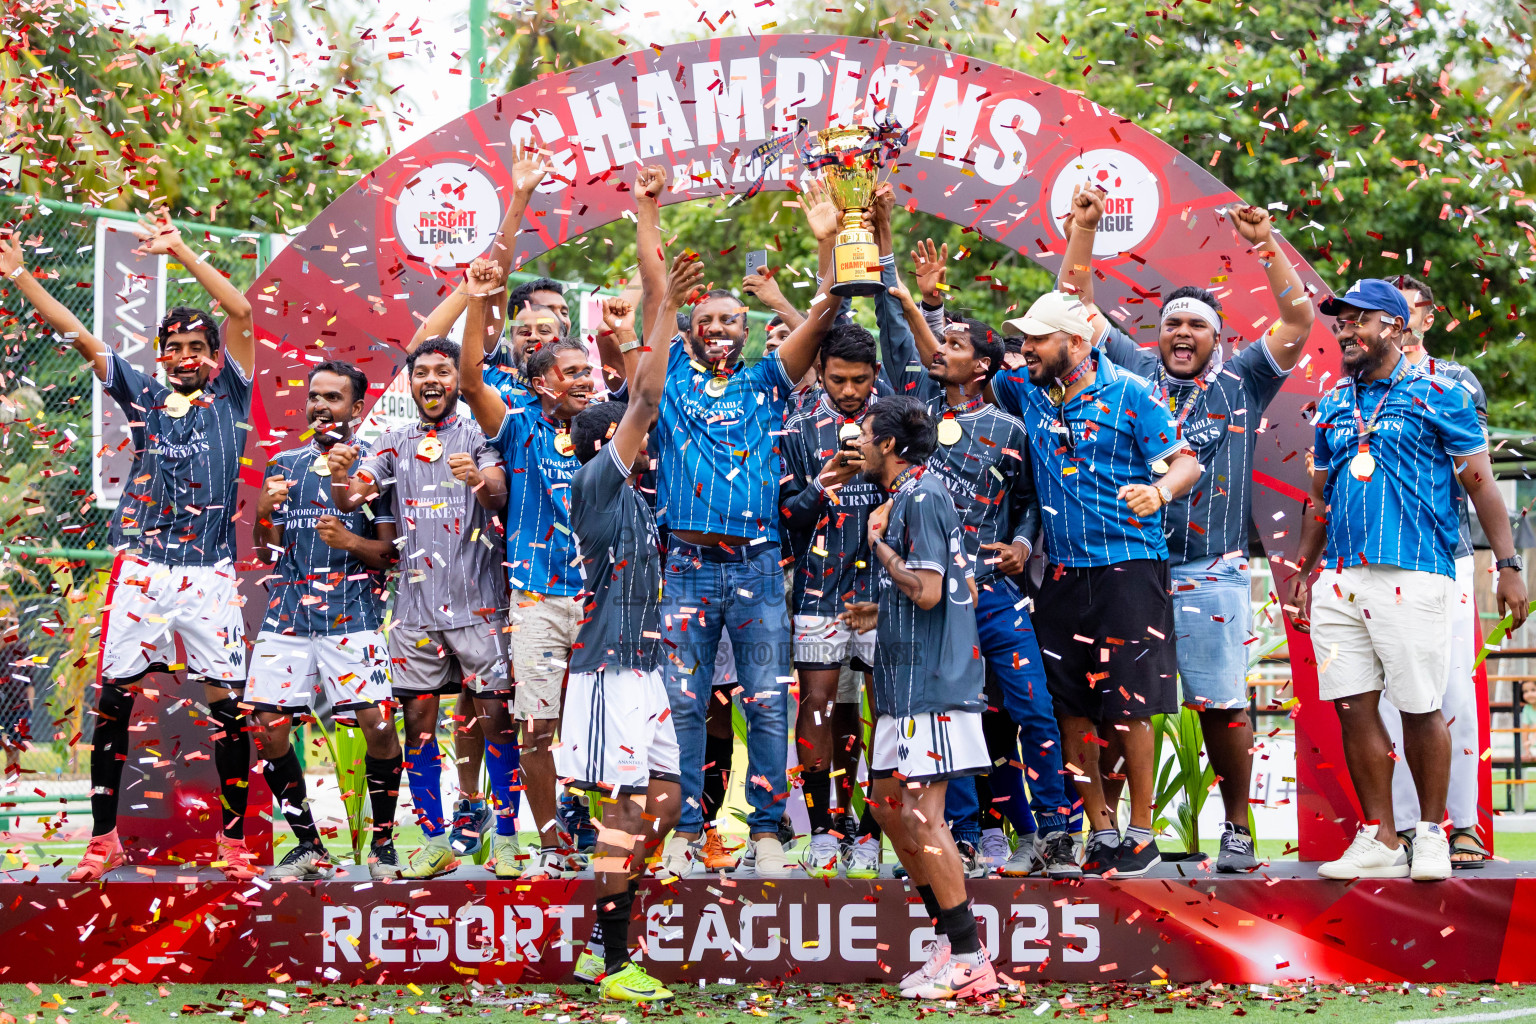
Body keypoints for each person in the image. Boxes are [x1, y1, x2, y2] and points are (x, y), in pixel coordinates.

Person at [1055, 189, 1314, 871]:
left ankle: (1235, 829)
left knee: (1219, 704)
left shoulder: (1246, 379)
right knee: (1118, 703)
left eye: (1196, 325)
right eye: (1173, 323)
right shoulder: (1134, 373)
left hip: (1211, 570)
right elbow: (1073, 302)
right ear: (1156, 335)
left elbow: (1298, 316)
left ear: (1217, 339)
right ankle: (1107, 831)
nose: (1182, 333)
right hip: (1127, 570)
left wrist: (1265, 245)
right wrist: (1083, 231)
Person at [2, 217, 259, 882]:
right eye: (172, 346)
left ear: (214, 353)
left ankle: (233, 842)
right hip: (143, 568)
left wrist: (180, 250)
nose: (185, 356)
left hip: (210, 575)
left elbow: (241, 309)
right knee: (114, 699)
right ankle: (105, 837)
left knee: (230, 706)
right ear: (159, 355)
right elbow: (80, 335)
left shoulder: (233, 391)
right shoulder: (142, 392)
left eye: (197, 345)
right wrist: (19, 276)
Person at [1288, 279, 1528, 882]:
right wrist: (1300, 567)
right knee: (1353, 706)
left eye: (1357, 321)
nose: (1345, 331)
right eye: (1340, 322)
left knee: (1422, 707)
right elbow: (1319, 499)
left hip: (1416, 571)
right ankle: (1379, 836)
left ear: (1394, 327)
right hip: (1341, 576)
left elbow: (1481, 484)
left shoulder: (1440, 393)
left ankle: (1430, 833)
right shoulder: (1335, 401)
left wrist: (1507, 566)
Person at [873, 193, 1078, 881]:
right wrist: (903, 282)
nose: (941, 353)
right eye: (941, 342)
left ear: (984, 366)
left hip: (996, 598)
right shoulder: (917, 415)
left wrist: (1023, 545)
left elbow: (1030, 503)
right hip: (940, 604)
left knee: (1032, 711)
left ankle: (1056, 829)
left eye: (956, 346)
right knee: (946, 720)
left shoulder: (1011, 427)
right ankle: (959, 834)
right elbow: (904, 338)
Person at [646, 179, 842, 878]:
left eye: (733, 321)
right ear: (692, 330)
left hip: (759, 568)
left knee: (765, 704)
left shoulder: (766, 383)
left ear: (749, 332)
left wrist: (828, 244)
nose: (720, 329)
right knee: (684, 704)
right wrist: (657, 251)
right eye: (708, 320)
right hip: (688, 568)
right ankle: (688, 830)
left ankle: (765, 831)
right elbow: (651, 300)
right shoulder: (667, 379)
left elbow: (825, 315)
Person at [992, 289, 1202, 877]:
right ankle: (1101, 829)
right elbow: (951, 359)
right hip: (1058, 575)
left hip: (1128, 568)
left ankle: (1142, 832)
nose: (1025, 348)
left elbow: (1187, 461)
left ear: (1078, 343)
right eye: (1024, 339)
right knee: (1072, 711)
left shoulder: (1133, 394)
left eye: (1037, 338)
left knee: (1129, 706)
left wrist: (1159, 491)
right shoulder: (1026, 390)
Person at [560, 252, 702, 1002]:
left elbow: (643, 404)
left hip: (642, 666)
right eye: (626, 435)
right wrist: (664, 312)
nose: (642, 441)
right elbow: (645, 396)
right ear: (602, 444)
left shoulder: (637, 501)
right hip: (605, 668)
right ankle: (613, 962)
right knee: (620, 808)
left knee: (669, 799)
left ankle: (601, 934)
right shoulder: (596, 481)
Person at [402, 149, 549, 853]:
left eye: (548, 331)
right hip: (453, 580)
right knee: (465, 707)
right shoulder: (481, 383)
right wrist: (517, 204)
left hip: (528, 576)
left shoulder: (557, 393)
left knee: (506, 711)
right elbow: (484, 295)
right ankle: (463, 815)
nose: (533, 338)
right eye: (522, 327)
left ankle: (526, 818)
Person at [331, 336, 515, 879]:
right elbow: (351, 498)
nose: (431, 380)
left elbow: (498, 492)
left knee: (496, 721)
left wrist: (479, 480)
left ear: (459, 379)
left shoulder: (482, 431)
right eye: (420, 372)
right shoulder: (392, 442)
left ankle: (504, 837)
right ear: (409, 383)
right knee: (417, 722)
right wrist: (342, 471)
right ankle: (433, 839)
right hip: (414, 612)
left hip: (480, 606)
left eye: (442, 370)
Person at [838, 396, 998, 999]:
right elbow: (949, 591)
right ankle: (946, 937)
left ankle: (968, 955)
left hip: (931, 685)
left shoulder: (921, 497)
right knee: (885, 807)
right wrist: (879, 609)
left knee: (924, 816)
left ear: (887, 445)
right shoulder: (912, 495)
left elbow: (930, 591)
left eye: (863, 433)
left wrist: (878, 545)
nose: (854, 441)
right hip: (902, 684)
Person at [459, 256, 595, 879]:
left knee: (599, 725)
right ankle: (551, 841)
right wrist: (475, 302)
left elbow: (643, 395)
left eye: (589, 371)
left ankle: (591, 823)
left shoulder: (606, 426)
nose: (588, 381)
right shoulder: (517, 428)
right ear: (543, 383)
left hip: (603, 599)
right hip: (536, 598)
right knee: (537, 727)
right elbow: (469, 383)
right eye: (575, 373)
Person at [247, 361, 403, 880]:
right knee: (269, 729)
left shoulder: (375, 469)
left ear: (356, 408)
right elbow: (265, 547)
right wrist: (263, 515)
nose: (320, 406)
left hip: (353, 619)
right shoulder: (284, 463)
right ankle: (309, 846)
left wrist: (351, 542)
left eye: (333, 398)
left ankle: (382, 846)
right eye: (315, 397)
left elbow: (390, 555)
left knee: (378, 729)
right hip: (286, 618)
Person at [1376, 274, 1490, 867]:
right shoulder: (1357, 382)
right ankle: (1402, 829)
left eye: (1407, 309)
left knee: (1452, 692)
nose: (1395, 318)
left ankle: (1464, 822)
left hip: (1445, 554)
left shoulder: (1454, 381)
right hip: (1377, 559)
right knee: (1395, 697)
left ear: (1426, 316)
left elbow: (1477, 472)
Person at [779, 323, 885, 876]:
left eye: (860, 380)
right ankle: (822, 830)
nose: (850, 392)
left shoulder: (891, 419)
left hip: (885, 597)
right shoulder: (796, 429)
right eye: (839, 380)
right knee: (817, 708)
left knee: (884, 715)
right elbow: (785, 517)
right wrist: (823, 485)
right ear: (819, 371)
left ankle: (870, 833)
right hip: (819, 593)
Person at [0, 613, 33, 788]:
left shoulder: (22, 649)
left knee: (14, 750)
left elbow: (30, 682)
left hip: (19, 707)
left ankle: (11, 793)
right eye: (7, 624)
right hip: (1, 706)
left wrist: (30, 709)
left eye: (14, 623)